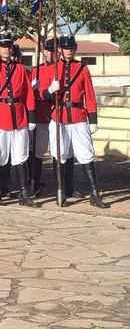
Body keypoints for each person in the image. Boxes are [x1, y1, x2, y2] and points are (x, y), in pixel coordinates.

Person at [41, 35, 108, 208]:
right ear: (60, 50)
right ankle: (61, 191)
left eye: (71, 48)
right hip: (59, 116)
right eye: (66, 48)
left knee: (86, 153)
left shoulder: (82, 68)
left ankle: (94, 193)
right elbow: (41, 94)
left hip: (78, 116)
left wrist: (92, 118)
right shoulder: (52, 69)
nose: (69, 50)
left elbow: (90, 94)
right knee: (59, 154)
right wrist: (50, 90)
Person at [0, 33, 37, 207]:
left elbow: (28, 94)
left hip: (19, 116)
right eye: (4, 46)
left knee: (20, 155)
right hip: (0, 116)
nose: (7, 48)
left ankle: (24, 193)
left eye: (9, 46)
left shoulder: (20, 69)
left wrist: (31, 117)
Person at [29, 38, 54, 196]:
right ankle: (34, 181)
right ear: (44, 52)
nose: (50, 53)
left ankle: (65, 184)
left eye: (53, 50)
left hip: (60, 112)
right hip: (41, 113)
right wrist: (34, 89)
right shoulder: (37, 70)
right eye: (48, 50)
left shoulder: (62, 68)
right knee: (38, 150)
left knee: (62, 149)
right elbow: (30, 95)